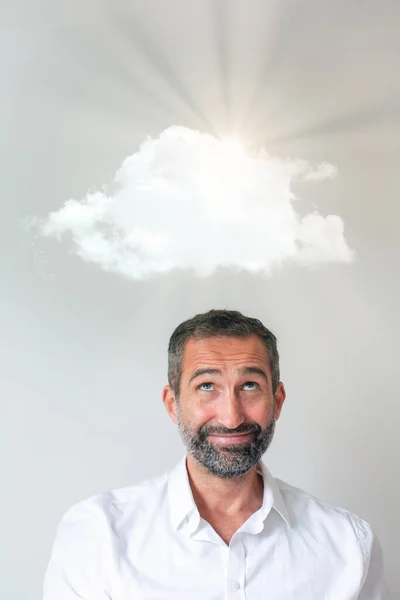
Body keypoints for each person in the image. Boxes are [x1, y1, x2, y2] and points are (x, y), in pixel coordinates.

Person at [43, 309, 390, 599]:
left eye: (250, 385)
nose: (231, 417)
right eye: (206, 386)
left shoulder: (349, 545)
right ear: (172, 404)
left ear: (278, 401)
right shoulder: (97, 536)